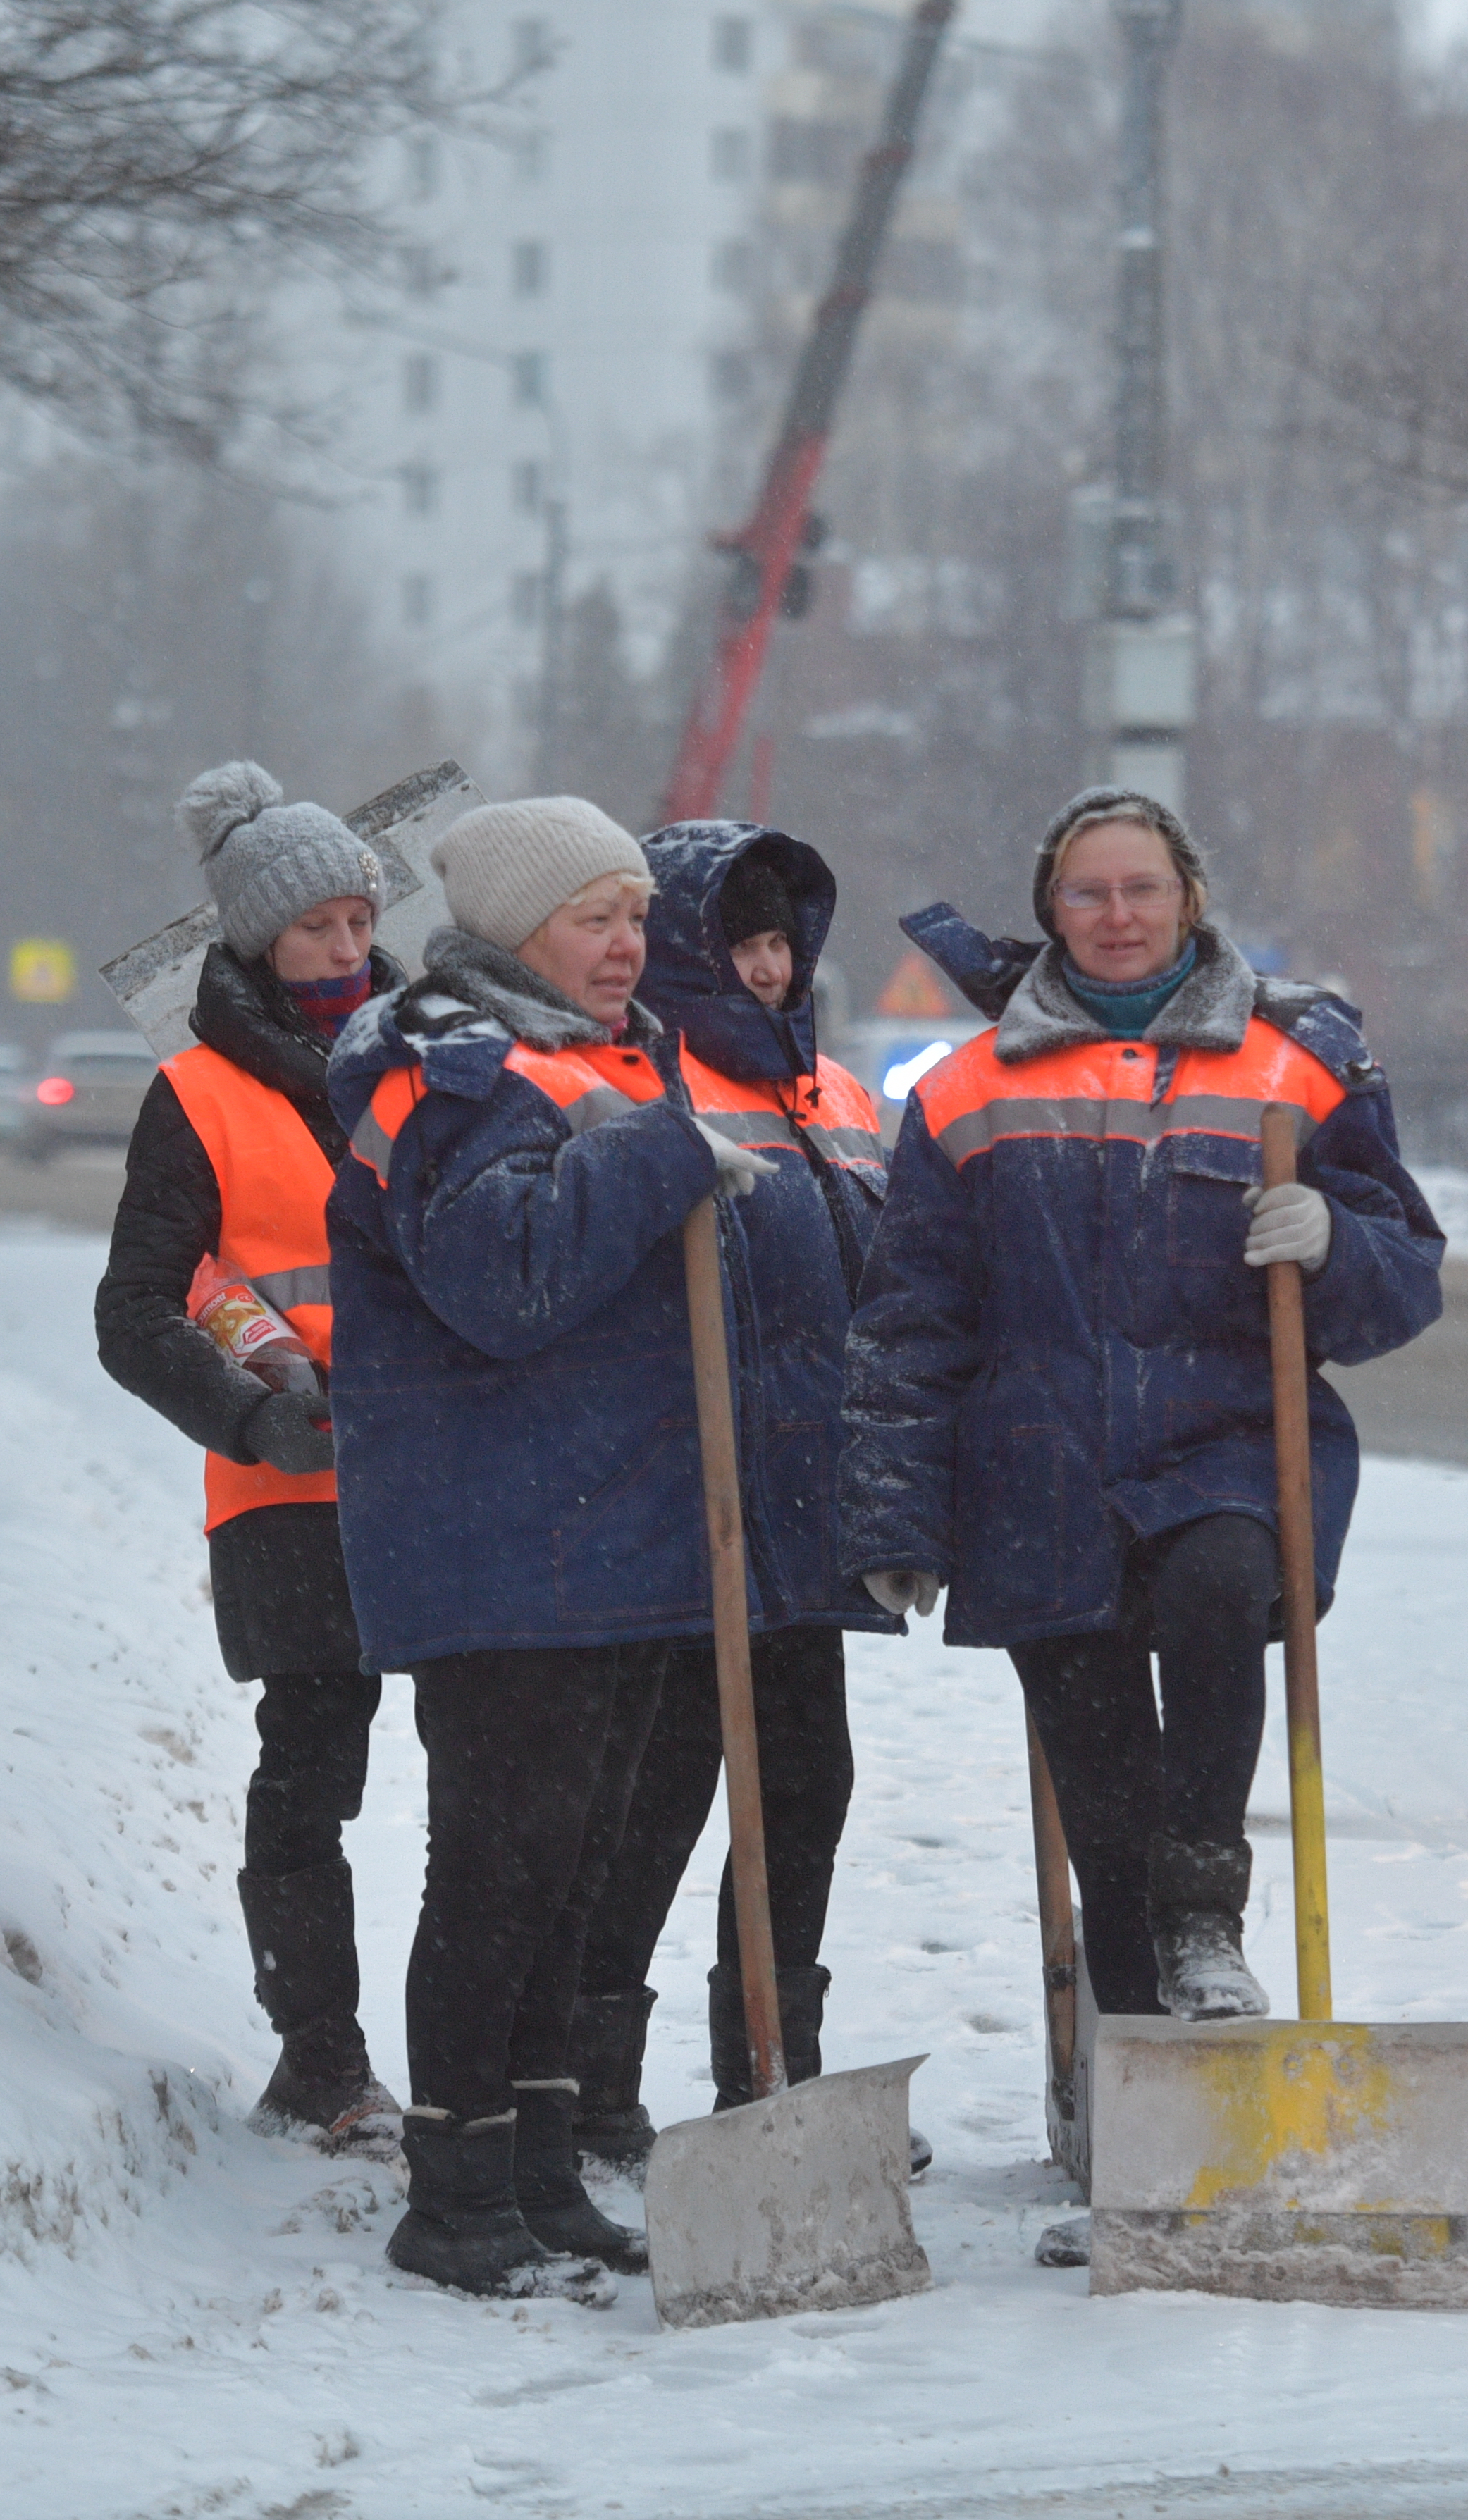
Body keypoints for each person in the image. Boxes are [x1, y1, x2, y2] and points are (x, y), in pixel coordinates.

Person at [841, 788, 1444, 2175]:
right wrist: (895, 1510)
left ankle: (1207, 1912)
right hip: (1036, 1474)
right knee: (1102, 1804)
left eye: (1143, 889)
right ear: (1052, 908)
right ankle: (1136, 2132)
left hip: (1224, 1441)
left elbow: (1401, 1272)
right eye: (1089, 892)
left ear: (1190, 898)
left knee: (1226, 1584)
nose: (1118, 915)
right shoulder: (970, 1087)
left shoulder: (1295, 1060)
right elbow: (912, 1317)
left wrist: (1333, 1242)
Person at [321, 794, 777, 2297]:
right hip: (501, 1546)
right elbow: (502, 1278)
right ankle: (452, 2193)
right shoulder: (434, 1068)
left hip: (616, 1536)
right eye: (597, 913)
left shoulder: (602, 1059)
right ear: (518, 929)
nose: (630, 941)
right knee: (501, 1870)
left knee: (577, 1873)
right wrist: (665, 1159)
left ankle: (532, 2169)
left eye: (638, 912)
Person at [564, 820, 921, 2177]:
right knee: (656, 1799)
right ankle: (593, 2077)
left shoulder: (831, 1092)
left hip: (802, 1511)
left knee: (803, 1791)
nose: (769, 969)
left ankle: (774, 2075)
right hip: (676, 1511)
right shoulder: (640, 1081)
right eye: (743, 942)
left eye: (784, 942)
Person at [93, 762, 402, 2149]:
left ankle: (516, 2056)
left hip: (447, 1478)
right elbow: (132, 1309)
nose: (347, 947)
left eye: (360, 918)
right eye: (318, 926)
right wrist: (249, 1415)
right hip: (288, 1490)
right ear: (255, 935)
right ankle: (322, 2059)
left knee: (502, 1777)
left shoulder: (429, 1054)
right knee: (312, 1775)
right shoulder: (200, 1094)